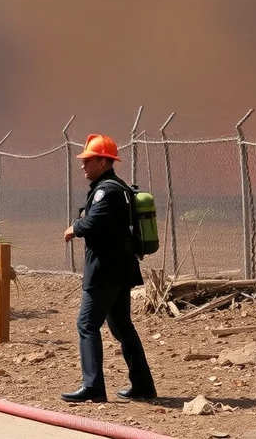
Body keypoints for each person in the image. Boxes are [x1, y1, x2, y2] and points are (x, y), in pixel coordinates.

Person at [61, 134, 156, 403]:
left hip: (106, 270)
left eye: (88, 160)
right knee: (121, 326)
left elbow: (93, 224)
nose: (83, 165)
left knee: (87, 324)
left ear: (103, 161)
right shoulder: (113, 187)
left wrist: (73, 228)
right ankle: (143, 385)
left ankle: (93, 387)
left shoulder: (108, 190)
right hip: (118, 269)